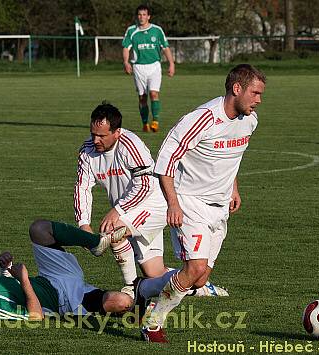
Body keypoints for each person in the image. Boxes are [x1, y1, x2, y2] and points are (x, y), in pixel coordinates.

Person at [140, 64, 266, 342]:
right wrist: (173, 204)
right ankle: (152, 323)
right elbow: (165, 160)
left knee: (197, 278)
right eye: (255, 93)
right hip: (189, 203)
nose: (259, 100)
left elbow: (234, 157)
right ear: (237, 89)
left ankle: (144, 289)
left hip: (219, 208)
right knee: (195, 269)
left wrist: (234, 187)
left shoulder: (250, 121)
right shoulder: (203, 118)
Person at [74, 102, 227, 299]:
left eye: (102, 135)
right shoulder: (87, 151)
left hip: (154, 204)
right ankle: (198, 287)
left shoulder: (130, 144)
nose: (95, 140)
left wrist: (118, 210)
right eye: (93, 133)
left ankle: (131, 287)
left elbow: (145, 185)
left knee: (114, 231)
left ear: (117, 132)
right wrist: (83, 223)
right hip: (129, 211)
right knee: (154, 273)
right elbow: (82, 188)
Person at [0, 220, 132, 320]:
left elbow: (7, 287)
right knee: (122, 301)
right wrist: (25, 280)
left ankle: (96, 243)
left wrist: (5, 268)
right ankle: (141, 299)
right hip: (67, 300)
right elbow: (35, 316)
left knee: (39, 229)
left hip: (53, 276)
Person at [122, 4, 175, 133]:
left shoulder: (157, 30)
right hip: (139, 67)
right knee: (142, 97)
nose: (141, 17)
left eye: (144, 15)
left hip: (154, 66)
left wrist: (171, 63)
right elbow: (125, 48)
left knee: (154, 93)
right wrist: (126, 62)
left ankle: (155, 121)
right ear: (137, 16)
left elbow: (165, 47)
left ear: (149, 16)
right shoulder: (131, 31)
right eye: (139, 15)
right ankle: (145, 123)